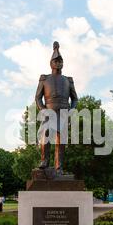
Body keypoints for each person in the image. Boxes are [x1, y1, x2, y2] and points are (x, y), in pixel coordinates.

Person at [35, 41, 78, 175]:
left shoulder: (68, 80)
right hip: (49, 111)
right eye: (56, 61)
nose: (58, 63)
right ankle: (44, 162)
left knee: (61, 141)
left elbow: (75, 98)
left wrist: (71, 110)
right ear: (51, 63)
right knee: (46, 137)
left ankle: (59, 167)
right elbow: (37, 97)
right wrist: (43, 109)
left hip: (63, 112)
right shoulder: (44, 79)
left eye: (60, 61)